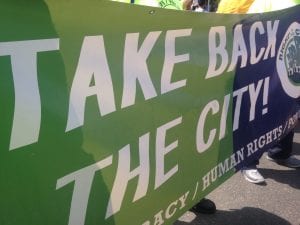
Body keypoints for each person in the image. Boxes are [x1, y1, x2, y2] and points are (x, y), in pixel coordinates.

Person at [113, 0, 217, 214]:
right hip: (135, 85)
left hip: (175, 81)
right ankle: (148, 208)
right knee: (142, 146)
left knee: (180, 139)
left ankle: (189, 194)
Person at [240, 0, 300, 184]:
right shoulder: (266, 2)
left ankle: (280, 153)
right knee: (258, 111)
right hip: (266, 67)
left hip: (292, 66)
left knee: (290, 107)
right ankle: (248, 162)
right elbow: (248, 30)